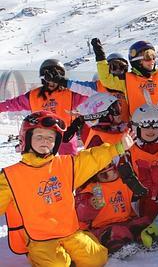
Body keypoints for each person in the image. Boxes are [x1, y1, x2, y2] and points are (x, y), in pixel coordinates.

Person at [1, 110, 134, 265]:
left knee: (97, 259)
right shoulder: (11, 176)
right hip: (40, 239)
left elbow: (91, 158)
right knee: (59, 264)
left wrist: (117, 148)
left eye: (50, 138)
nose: (45, 141)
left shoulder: (65, 165)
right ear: (26, 138)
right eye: (39, 136)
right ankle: (35, 255)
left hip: (70, 233)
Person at [0, 59, 87, 154]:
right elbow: (13, 103)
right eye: (49, 79)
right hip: (41, 136)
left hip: (66, 134)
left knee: (69, 162)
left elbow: (89, 91)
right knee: (39, 163)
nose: (52, 83)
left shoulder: (70, 94)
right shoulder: (33, 96)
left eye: (55, 79)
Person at [92, 38, 158, 128]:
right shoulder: (127, 80)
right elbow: (107, 80)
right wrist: (100, 57)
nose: (152, 61)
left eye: (153, 57)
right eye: (147, 57)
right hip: (142, 126)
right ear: (138, 61)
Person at [75, 163, 150, 253]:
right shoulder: (90, 188)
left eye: (109, 165)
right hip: (103, 226)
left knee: (143, 223)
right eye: (103, 169)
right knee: (117, 232)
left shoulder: (125, 181)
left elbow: (139, 198)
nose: (107, 168)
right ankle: (117, 245)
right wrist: (91, 204)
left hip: (127, 221)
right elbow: (81, 214)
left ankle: (146, 238)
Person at [127, 100, 158, 220]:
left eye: (156, 126)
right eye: (146, 126)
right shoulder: (129, 151)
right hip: (143, 203)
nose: (151, 130)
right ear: (136, 127)